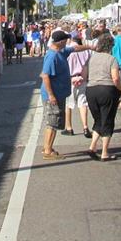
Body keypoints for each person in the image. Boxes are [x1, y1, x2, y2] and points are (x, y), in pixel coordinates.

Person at [39, 30, 92, 160]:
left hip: (59, 93)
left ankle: (47, 147)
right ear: (61, 42)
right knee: (53, 122)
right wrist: (51, 95)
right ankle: (48, 151)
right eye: (66, 40)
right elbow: (45, 75)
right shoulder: (52, 56)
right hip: (53, 95)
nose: (67, 42)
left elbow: (75, 48)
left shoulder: (61, 51)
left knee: (54, 122)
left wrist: (90, 47)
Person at [85, 31, 121, 160]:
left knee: (98, 119)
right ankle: (104, 152)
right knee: (108, 120)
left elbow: (84, 74)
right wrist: (120, 91)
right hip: (107, 90)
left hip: (91, 90)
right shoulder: (112, 59)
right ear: (110, 46)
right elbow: (115, 78)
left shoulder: (91, 58)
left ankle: (92, 146)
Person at [64, 33, 92, 138]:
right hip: (82, 78)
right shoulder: (85, 51)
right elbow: (86, 66)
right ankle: (85, 127)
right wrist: (84, 78)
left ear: (71, 39)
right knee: (83, 103)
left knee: (69, 104)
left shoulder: (67, 50)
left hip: (70, 79)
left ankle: (69, 127)